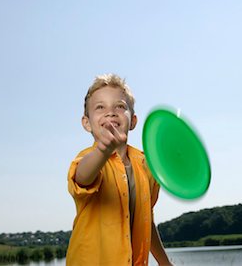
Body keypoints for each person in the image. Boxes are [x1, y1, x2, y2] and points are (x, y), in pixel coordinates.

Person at [67, 74, 172, 266]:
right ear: (87, 123)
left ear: (132, 121)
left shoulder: (147, 165)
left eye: (120, 106)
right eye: (100, 107)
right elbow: (83, 178)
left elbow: (146, 219)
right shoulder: (87, 159)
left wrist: (165, 263)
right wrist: (102, 151)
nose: (110, 112)